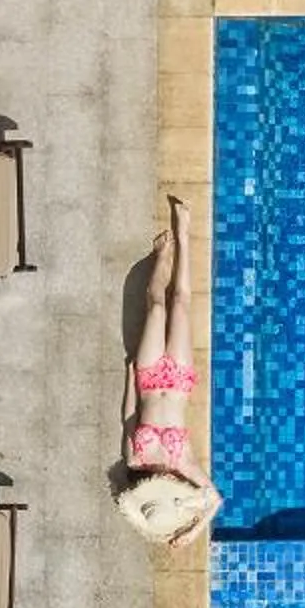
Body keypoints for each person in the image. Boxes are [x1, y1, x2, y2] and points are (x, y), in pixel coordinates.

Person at [119, 197, 222, 545]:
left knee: (157, 308)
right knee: (179, 304)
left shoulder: (136, 458)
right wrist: (191, 532)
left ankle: (162, 258)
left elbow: (129, 417)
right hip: (177, 378)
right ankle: (184, 233)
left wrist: (130, 376)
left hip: (147, 377)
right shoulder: (184, 464)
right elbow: (215, 500)